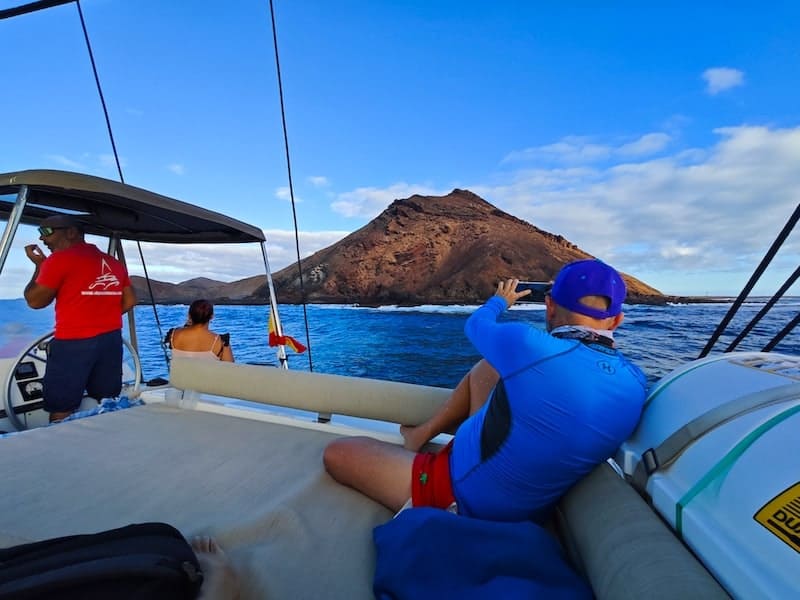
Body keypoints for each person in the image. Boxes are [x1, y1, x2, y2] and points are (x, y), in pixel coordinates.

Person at [323, 259, 648, 523]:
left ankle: (420, 457)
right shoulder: (635, 382)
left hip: (459, 493)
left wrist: (500, 301)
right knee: (489, 366)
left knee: (338, 452)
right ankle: (419, 435)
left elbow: (476, 324)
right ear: (616, 320)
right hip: (524, 502)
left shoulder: (527, 344)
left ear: (549, 307)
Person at [24, 215, 136, 422]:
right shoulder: (113, 263)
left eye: (47, 232)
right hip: (110, 341)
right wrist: (102, 316)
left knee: (61, 407)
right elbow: (129, 300)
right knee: (107, 402)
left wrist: (40, 265)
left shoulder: (58, 260)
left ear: (71, 232)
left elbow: (35, 301)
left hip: (73, 343)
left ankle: (60, 452)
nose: (42, 239)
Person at [167, 299, 234, 362]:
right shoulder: (221, 341)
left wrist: (188, 323)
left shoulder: (173, 334)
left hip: (179, 374)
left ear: (189, 315)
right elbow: (230, 369)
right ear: (212, 316)